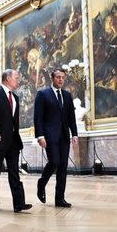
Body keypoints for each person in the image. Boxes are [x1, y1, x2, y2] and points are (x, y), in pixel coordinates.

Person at [0, 69, 32, 213]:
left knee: (14, 172)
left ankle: (19, 203)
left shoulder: (15, 98)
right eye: (16, 77)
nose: (18, 80)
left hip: (12, 142)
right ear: (8, 78)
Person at [34, 68, 78, 207]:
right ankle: (42, 183)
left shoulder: (67, 95)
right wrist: (40, 135)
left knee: (63, 167)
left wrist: (75, 134)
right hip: (49, 135)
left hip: (64, 136)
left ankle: (59, 199)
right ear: (52, 78)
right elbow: (38, 117)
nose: (60, 80)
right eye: (58, 77)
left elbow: (71, 117)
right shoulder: (42, 94)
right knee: (54, 162)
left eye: (62, 77)